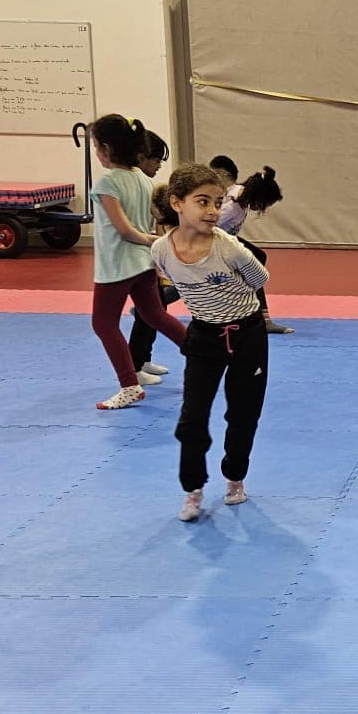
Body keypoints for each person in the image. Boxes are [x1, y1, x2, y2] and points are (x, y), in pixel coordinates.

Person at [150, 163, 271, 520]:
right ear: (177, 203)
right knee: (192, 417)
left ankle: (235, 476)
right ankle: (193, 489)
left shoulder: (229, 248)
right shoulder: (160, 250)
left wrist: (230, 298)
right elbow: (176, 280)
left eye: (218, 202)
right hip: (204, 336)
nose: (213, 211)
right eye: (202, 202)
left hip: (247, 334)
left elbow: (259, 277)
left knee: (243, 412)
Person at [87, 114, 187, 410]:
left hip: (117, 266)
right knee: (155, 314)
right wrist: (155, 250)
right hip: (143, 265)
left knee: (103, 324)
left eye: (95, 146)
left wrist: (153, 242)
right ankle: (204, 353)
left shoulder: (107, 183)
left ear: (105, 148)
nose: (96, 152)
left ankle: (129, 385)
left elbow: (124, 229)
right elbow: (152, 222)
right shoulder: (143, 179)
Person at [128, 132, 180, 386]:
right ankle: (134, 366)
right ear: (141, 157)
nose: (159, 165)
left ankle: (144, 359)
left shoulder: (147, 186)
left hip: (149, 256)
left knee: (157, 309)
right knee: (148, 313)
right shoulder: (134, 185)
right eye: (156, 159)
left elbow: (158, 222)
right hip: (137, 258)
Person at [219, 165, 291, 334]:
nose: (264, 209)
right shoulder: (232, 208)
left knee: (257, 258)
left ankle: (260, 314)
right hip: (212, 243)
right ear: (259, 197)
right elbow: (204, 228)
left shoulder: (241, 193)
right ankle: (260, 316)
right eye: (266, 204)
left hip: (226, 240)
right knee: (253, 263)